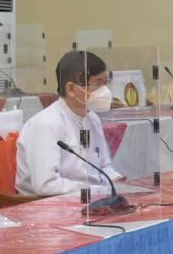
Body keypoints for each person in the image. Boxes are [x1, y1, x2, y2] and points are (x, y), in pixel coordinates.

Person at [15, 51, 124, 197]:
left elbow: (104, 167)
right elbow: (46, 185)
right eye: (97, 84)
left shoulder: (92, 119)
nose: (105, 91)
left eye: (106, 83)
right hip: (46, 204)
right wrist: (96, 190)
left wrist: (116, 181)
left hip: (89, 198)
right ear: (71, 89)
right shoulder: (45, 124)